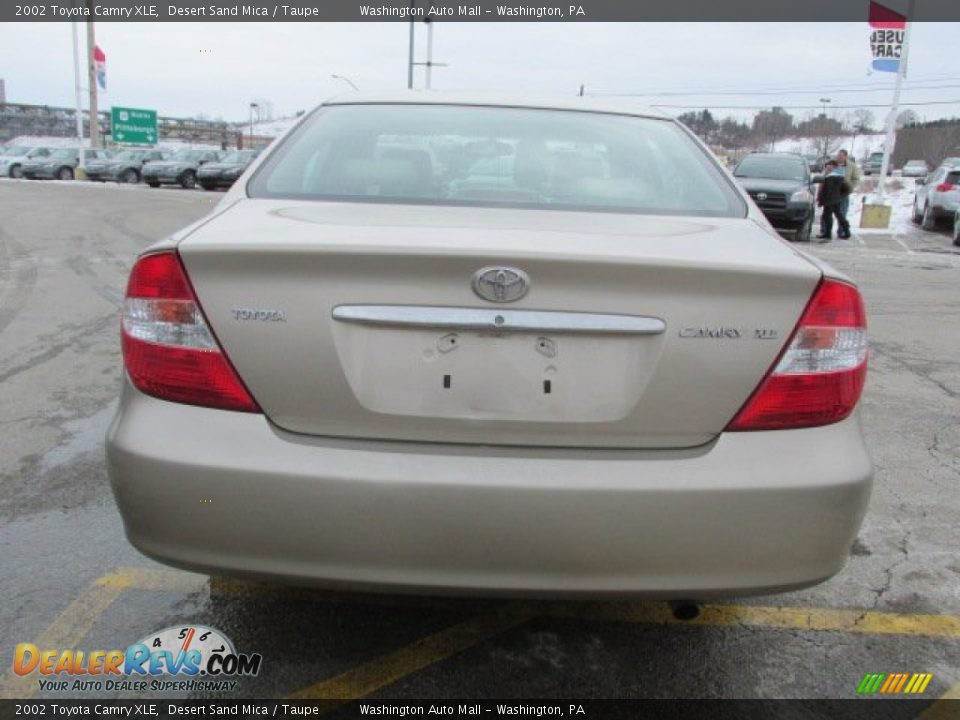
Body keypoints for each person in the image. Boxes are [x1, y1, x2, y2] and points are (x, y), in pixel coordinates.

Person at [816, 160, 851, 240]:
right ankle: (846, 231)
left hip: (830, 200)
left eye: (829, 166)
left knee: (827, 216)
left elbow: (828, 189)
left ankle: (828, 234)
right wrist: (839, 196)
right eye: (827, 166)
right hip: (834, 199)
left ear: (834, 166)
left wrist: (823, 199)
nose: (827, 167)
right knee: (838, 215)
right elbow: (846, 189)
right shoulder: (838, 175)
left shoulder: (832, 176)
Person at [836, 148, 860, 220]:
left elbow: (856, 179)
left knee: (842, 213)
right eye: (838, 155)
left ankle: (841, 226)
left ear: (846, 157)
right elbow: (824, 176)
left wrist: (849, 187)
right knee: (827, 214)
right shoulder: (832, 164)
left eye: (841, 156)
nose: (839, 157)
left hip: (843, 193)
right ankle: (825, 227)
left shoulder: (852, 166)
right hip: (831, 192)